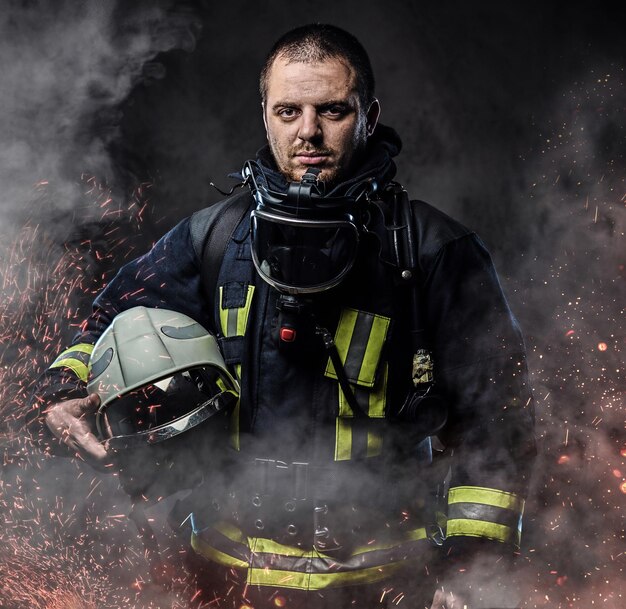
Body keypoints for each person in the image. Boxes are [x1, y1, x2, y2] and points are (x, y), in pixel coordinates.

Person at [32, 24, 536, 609]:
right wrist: (65, 390)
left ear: (369, 116)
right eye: (289, 110)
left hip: (390, 584)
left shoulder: (432, 250)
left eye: (333, 110)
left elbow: (501, 421)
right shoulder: (213, 238)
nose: (309, 133)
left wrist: (472, 574)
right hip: (228, 580)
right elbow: (107, 321)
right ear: (265, 115)